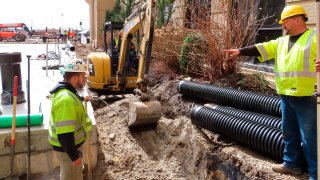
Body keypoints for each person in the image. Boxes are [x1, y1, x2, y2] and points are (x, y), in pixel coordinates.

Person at [224, 5, 317, 179]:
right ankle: (292, 164)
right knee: (289, 133)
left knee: (310, 138)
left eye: (286, 22)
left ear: (297, 19)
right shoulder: (282, 41)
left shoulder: (314, 38)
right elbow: (262, 48)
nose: (283, 25)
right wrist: (240, 51)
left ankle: (315, 174)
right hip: (285, 95)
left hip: (306, 96)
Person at [48, 58, 92, 180]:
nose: (85, 80)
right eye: (83, 77)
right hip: (68, 151)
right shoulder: (66, 100)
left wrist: (83, 99)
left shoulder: (67, 91)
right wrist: (74, 156)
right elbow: (65, 133)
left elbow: (75, 97)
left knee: (72, 175)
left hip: (68, 148)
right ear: (74, 78)